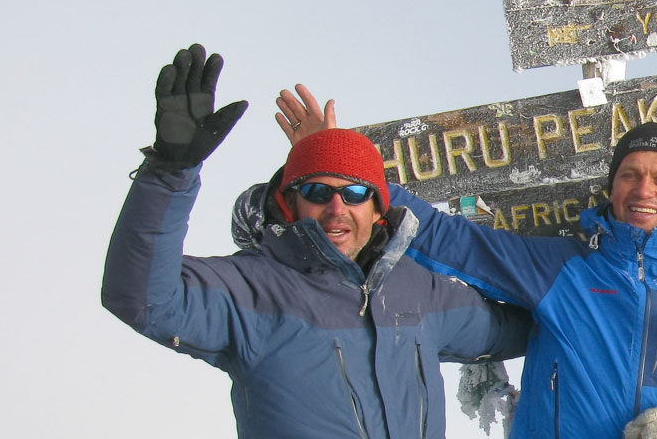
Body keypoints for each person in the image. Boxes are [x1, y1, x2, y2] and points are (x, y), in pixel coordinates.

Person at [255, 87, 657, 439]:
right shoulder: (560, 269)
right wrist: (336, 169)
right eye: (630, 174)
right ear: (611, 189)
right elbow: (445, 238)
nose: (643, 189)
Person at [101, 44, 529, 438]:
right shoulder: (250, 291)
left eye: (355, 193)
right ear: (290, 205)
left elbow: (520, 328)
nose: (336, 207)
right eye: (317, 192)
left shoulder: (421, 292)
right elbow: (142, 298)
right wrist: (170, 172)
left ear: (379, 208)